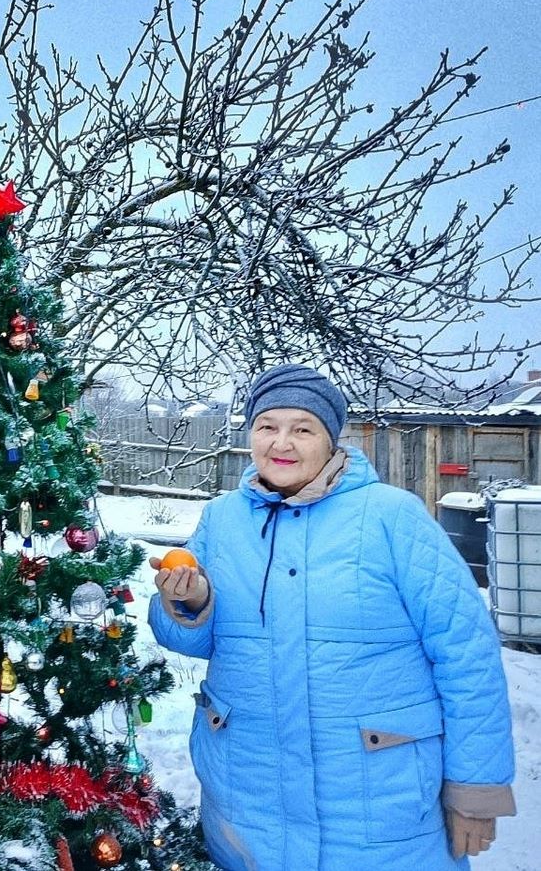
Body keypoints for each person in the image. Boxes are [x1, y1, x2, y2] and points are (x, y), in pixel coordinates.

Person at [148, 364, 516, 871]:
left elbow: (466, 653)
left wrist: (475, 788)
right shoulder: (222, 519)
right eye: (267, 426)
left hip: (378, 804)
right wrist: (190, 603)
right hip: (248, 798)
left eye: (302, 429)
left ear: (331, 439)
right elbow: (189, 640)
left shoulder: (392, 517)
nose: (282, 443)